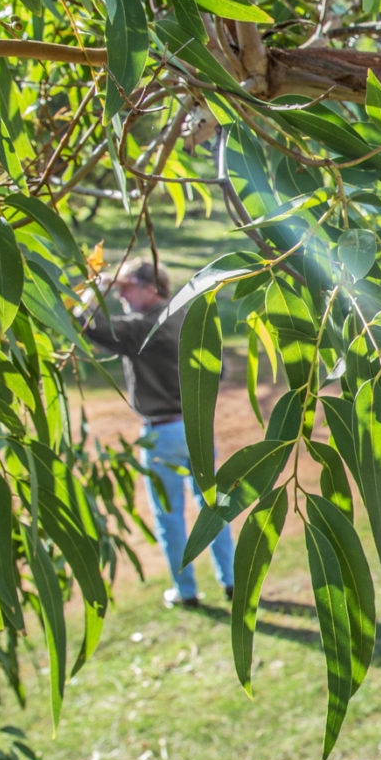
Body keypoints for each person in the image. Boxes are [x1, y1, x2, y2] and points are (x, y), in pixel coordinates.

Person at [80, 258, 234, 610]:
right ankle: (232, 580)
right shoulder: (190, 318)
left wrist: (98, 287)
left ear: (151, 288)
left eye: (127, 286)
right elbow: (220, 370)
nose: (121, 295)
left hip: (162, 432)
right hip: (197, 427)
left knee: (170, 518)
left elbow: (90, 324)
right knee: (213, 508)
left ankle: (186, 589)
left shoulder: (140, 329)